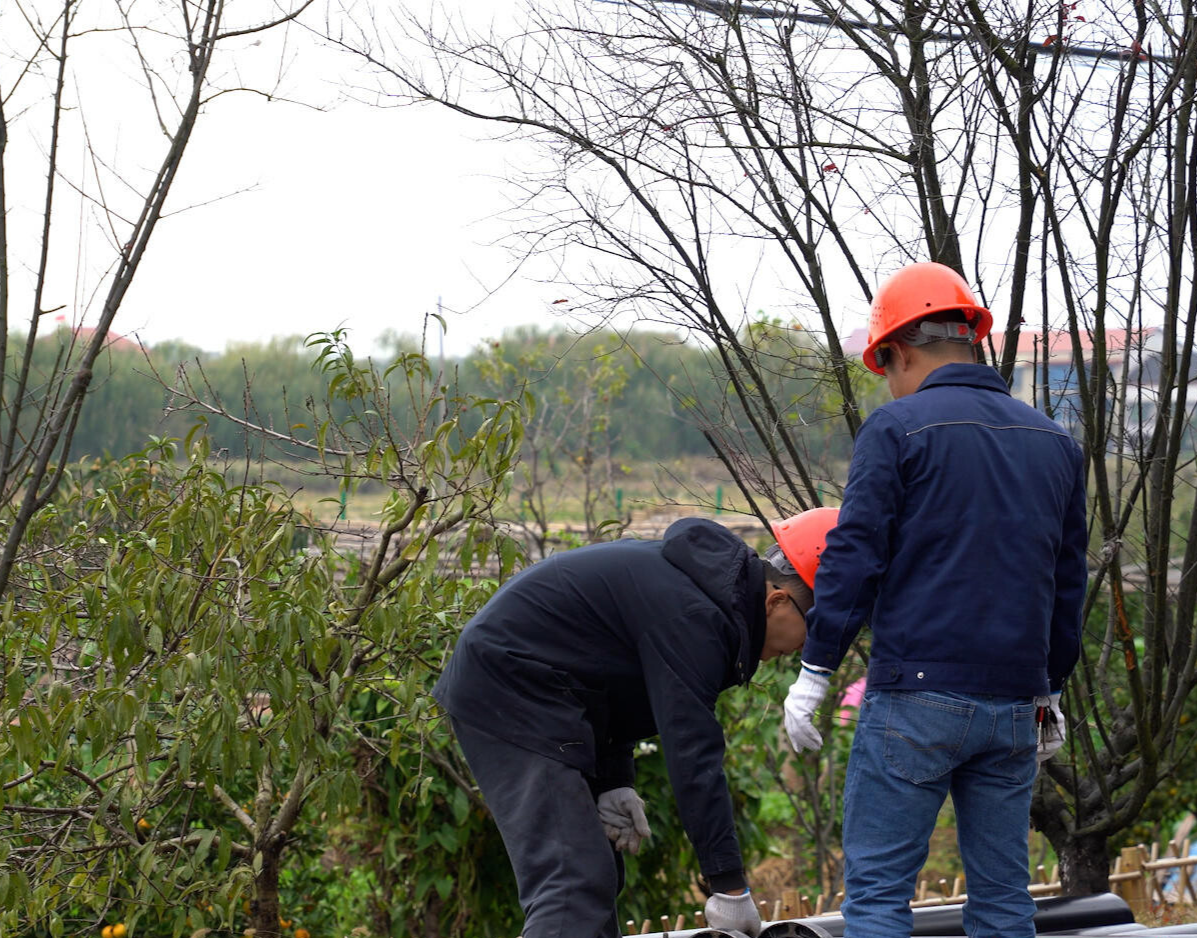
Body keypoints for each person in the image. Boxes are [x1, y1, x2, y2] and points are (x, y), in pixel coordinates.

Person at [780, 262, 1087, 938]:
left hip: (915, 702)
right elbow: (1068, 582)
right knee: (1005, 902)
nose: (888, 382)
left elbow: (853, 558)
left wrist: (816, 670)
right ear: (969, 338)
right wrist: (1052, 689)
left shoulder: (895, 431)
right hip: (1014, 705)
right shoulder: (1056, 445)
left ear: (902, 349)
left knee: (879, 898)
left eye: (884, 364)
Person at [434, 507, 839, 938]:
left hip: (546, 694)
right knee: (572, 882)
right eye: (814, 633)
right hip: (512, 689)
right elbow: (693, 751)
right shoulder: (698, 615)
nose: (806, 651)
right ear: (777, 600)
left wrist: (615, 778)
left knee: (596, 874)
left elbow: (608, 672)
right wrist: (729, 886)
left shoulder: (713, 597)